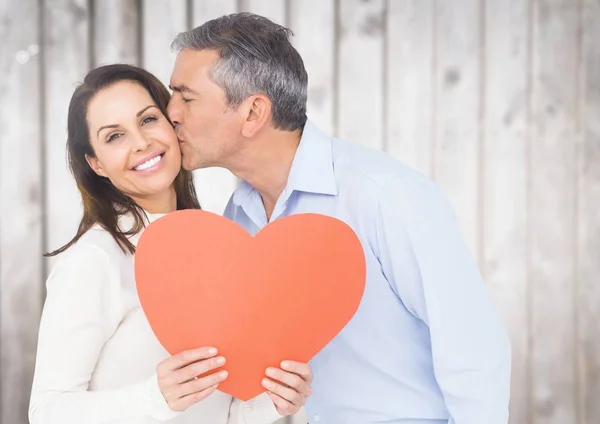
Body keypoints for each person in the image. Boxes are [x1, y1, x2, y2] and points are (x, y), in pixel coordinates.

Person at [166, 12, 512, 424]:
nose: (170, 112)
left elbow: (473, 348)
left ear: (253, 113)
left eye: (186, 97)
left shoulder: (385, 195)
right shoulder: (238, 218)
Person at [28, 64, 312, 424]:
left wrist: (275, 400)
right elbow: (47, 411)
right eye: (114, 136)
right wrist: (156, 398)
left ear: (173, 123)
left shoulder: (216, 248)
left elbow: (220, 413)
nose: (142, 143)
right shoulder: (94, 260)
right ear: (96, 163)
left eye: (148, 120)